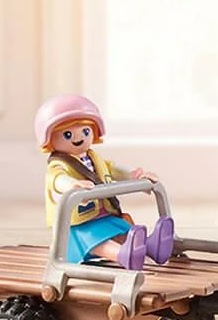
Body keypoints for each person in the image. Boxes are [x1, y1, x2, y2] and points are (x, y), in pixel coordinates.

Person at [34, 95, 174, 271]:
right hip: (76, 225)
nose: (79, 138)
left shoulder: (94, 158)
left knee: (122, 230)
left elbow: (112, 169)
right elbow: (57, 180)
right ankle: (122, 254)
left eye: (85, 131)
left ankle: (150, 247)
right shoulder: (58, 165)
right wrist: (72, 185)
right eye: (67, 134)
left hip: (102, 215)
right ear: (49, 139)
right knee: (95, 239)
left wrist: (135, 176)